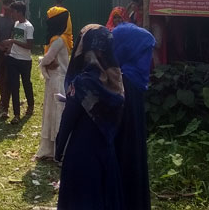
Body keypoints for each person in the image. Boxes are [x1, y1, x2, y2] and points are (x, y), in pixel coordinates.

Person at [55, 25, 125, 210]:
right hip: (106, 149)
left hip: (81, 151)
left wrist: (59, 148)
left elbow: (68, 119)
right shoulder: (116, 81)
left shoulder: (83, 83)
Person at [112, 22, 156, 210]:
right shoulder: (133, 78)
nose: (149, 59)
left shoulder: (123, 80)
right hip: (130, 146)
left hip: (121, 146)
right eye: (145, 52)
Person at [34, 6, 72, 160]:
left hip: (56, 80)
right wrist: (46, 63)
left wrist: (41, 61)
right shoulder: (64, 39)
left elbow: (48, 59)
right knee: (54, 113)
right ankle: (52, 150)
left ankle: (58, 150)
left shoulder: (58, 40)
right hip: (59, 80)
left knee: (56, 115)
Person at [3, 1, 35, 124]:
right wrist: (9, 49)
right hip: (13, 58)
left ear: (20, 12)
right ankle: (16, 114)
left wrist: (13, 41)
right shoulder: (16, 24)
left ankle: (30, 105)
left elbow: (29, 45)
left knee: (26, 83)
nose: (11, 14)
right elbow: (15, 39)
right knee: (14, 86)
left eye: (13, 12)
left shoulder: (28, 26)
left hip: (25, 61)